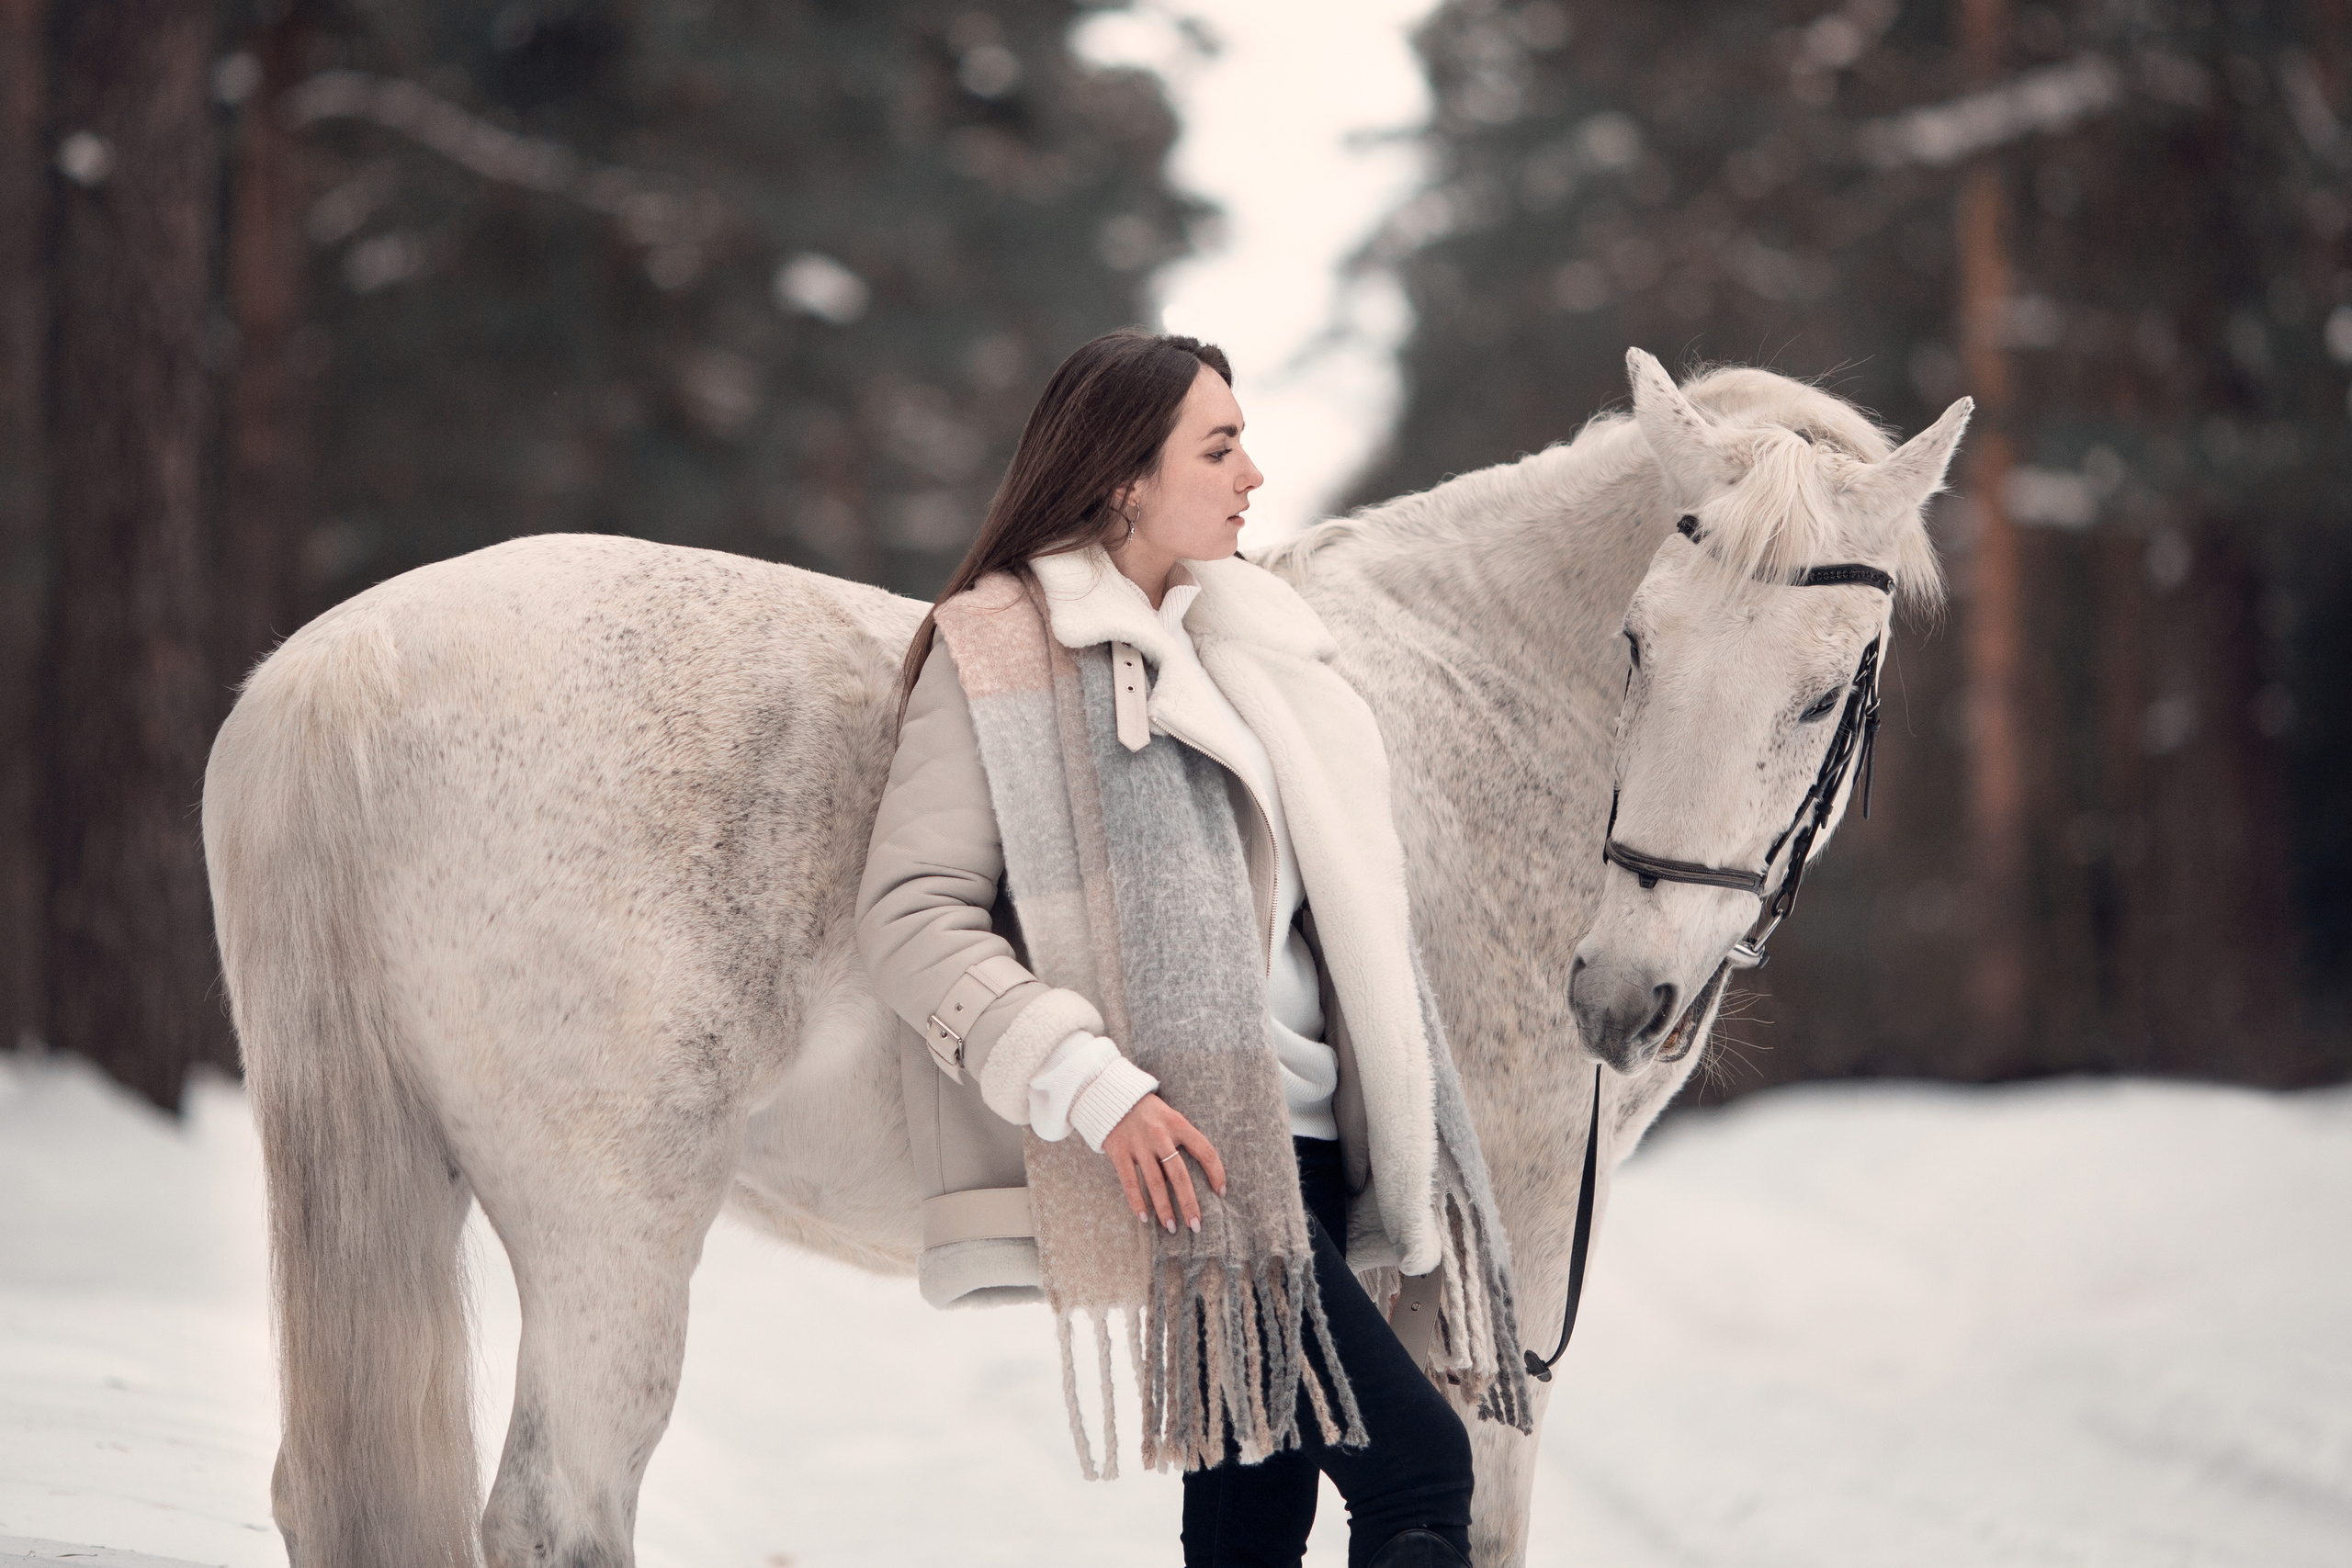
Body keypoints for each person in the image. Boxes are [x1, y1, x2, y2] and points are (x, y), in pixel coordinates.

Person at [855, 329, 1525, 1568]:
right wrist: (1097, 1091)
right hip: (1200, 1158)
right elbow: (911, 919)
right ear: (1121, 478)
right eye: (1218, 447)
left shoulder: (1256, 643)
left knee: (1251, 1525)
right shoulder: (999, 647)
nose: (1253, 475)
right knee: (1421, 1475)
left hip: (1315, 1142)